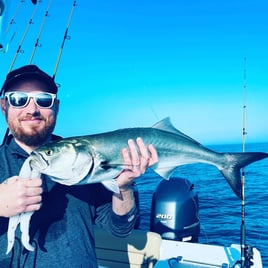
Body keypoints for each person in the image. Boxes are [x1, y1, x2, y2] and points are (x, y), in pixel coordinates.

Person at [0, 65, 158, 267]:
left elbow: (121, 229)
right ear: (4, 106)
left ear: (56, 107)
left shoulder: (85, 160)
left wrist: (124, 188)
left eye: (44, 100)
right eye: (19, 99)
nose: (32, 110)